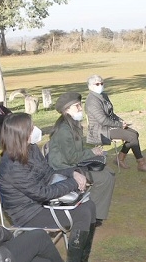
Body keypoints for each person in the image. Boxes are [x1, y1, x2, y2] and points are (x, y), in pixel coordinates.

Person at [0, 113, 99, 262]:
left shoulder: (30, 149)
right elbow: (42, 193)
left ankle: (82, 260)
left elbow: (49, 172)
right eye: (31, 128)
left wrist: (73, 173)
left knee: (89, 205)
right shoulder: (12, 166)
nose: (36, 129)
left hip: (40, 204)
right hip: (28, 215)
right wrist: (73, 182)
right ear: (21, 134)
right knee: (83, 213)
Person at [47, 92, 116, 226]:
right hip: (63, 169)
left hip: (70, 164)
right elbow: (71, 157)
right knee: (104, 178)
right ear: (66, 110)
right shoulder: (64, 130)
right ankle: (92, 215)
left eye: (80, 105)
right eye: (76, 106)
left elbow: (77, 151)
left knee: (108, 172)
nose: (80, 108)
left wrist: (94, 152)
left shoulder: (72, 125)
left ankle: (94, 212)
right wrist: (91, 152)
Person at [85, 74, 146, 172]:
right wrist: (119, 125)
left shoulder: (103, 95)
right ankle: (141, 163)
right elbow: (102, 120)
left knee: (134, 133)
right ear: (90, 86)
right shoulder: (92, 100)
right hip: (100, 130)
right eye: (97, 84)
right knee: (131, 137)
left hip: (110, 125)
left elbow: (111, 114)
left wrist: (121, 121)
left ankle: (120, 158)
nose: (100, 85)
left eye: (101, 83)